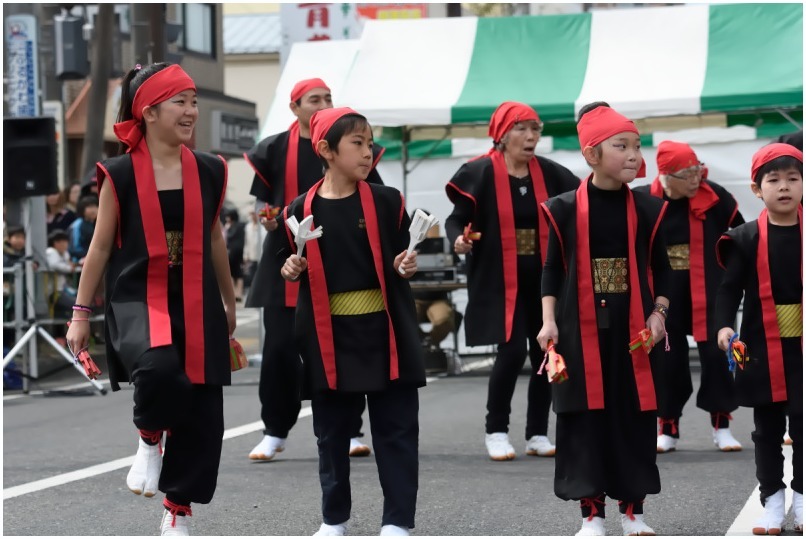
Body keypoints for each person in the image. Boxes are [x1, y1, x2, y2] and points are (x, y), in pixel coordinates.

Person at [65, 62, 236, 536]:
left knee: (203, 409)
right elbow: (99, 247)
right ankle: (148, 436)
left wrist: (230, 300)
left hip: (197, 295)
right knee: (160, 370)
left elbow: (216, 240)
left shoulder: (209, 169)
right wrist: (81, 314)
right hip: (139, 296)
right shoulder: (117, 174)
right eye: (179, 102)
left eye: (193, 101)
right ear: (149, 111)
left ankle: (177, 510)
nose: (191, 111)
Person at [279, 107, 425, 537]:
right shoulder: (299, 209)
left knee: (395, 430)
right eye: (357, 144)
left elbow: (401, 257)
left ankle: (397, 521)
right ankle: (334, 518)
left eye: (370, 142)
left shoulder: (387, 201)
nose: (368, 152)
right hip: (329, 338)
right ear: (325, 149)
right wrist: (290, 268)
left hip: (385, 330)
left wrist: (406, 263)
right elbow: (288, 263)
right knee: (331, 434)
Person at [537, 103, 672, 536]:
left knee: (633, 415)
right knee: (583, 417)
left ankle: (634, 512)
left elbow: (665, 269)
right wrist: (548, 322)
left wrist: (660, 313)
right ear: (592, 155)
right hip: (578, 328)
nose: (634, 155)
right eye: (622, 146)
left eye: (636, 146)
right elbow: (552, 268)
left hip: (636, 328)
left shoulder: (650, 209)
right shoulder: (561, 209)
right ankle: (591, 515)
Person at [243, 78, 383, 461]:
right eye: (314, 99)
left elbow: (376, 198)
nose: (323, 103)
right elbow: (262, 204)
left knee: (345, 346)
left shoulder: (350, 143)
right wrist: (268, 220)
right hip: (288, 260)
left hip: (341, 264)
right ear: (294, 108)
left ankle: (352, 429)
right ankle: (275, 429)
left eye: (328, 98)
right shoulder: (274, 148)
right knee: (278, 353)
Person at [445, 101, 579, 461]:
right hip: (497, 277)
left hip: (544, 279)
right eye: (522, 129)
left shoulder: (551, 173)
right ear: (502, 135)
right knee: (511, 353)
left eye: (536, 129)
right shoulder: (480, 172)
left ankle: (537, 432)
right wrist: (458, 239)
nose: (531, 136)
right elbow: (456, 220)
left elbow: (577, 206)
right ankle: (496, 430)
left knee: (546, 353)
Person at [633, 141, 745, 453]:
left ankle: (721, 424)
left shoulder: (717, 197)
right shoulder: (642, 199)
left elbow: (741, 236)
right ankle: (668, 425)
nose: (697, 178)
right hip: (664, 293)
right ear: (667, 177)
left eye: (698, 170)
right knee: (668, 360)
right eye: (689, 174)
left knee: (716, 357)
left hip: (709, 289)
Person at [714, 143, 803, 535]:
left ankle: (801, 500)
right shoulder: (745, 238)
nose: (784, 187)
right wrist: (722, 326)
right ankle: (771, 501)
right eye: (774, 180)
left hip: (801, 348)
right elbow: (728, 291)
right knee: (767, 429)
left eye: (793, 178)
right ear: (756, 189)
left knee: (803, 427)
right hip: (763, 346)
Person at [68, 195, 99, 264]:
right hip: (81, 262)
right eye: (89, 207)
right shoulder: (77, 225)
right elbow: (73, 248)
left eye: (95, 206)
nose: (93, 210)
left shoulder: (100, 223)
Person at [223, 208, 246, 302]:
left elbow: (227, 238)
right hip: (239, 253)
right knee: (239, 274)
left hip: (231, 253)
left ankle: (233, 293)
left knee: (231, 273)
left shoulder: (230, 227)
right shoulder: (241, 226)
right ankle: (239, 294)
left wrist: (227, 229)